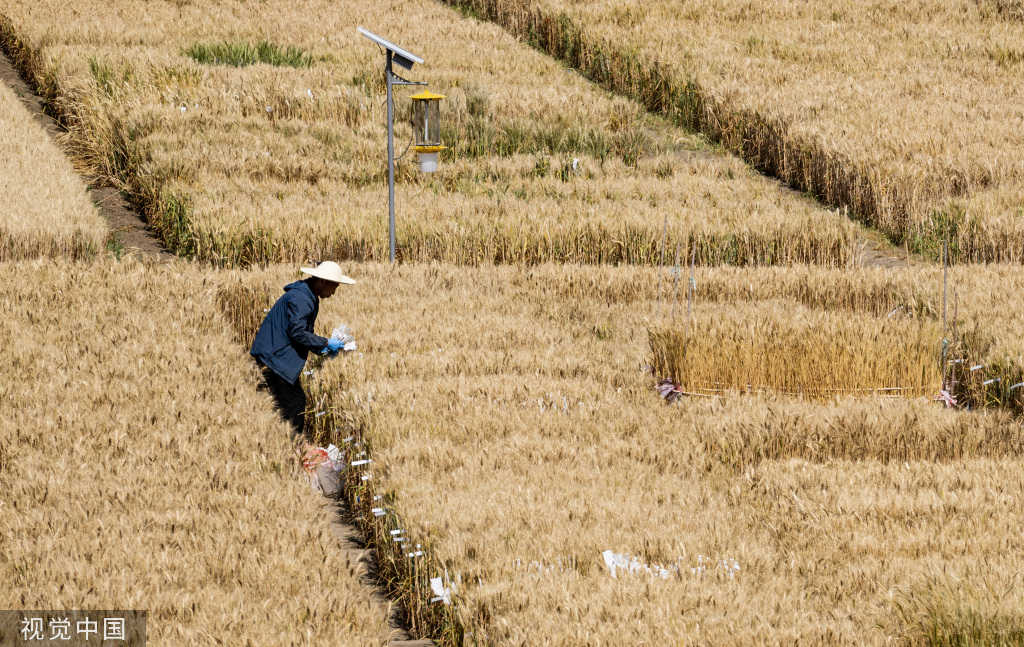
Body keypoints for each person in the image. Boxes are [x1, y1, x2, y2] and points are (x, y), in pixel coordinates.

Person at [250, 261, 356, 439]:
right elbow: (297, 332)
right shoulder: (302, 299)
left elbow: (304, 332)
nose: (334, 292)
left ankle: (280, 442)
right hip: (275, 357)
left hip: (274, 355)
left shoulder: (308, 295)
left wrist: (321, 348)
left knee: (281, 404)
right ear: (322, 281)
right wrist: (326, 342)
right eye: (334, 287)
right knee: (294, 403)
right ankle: (294, 447)